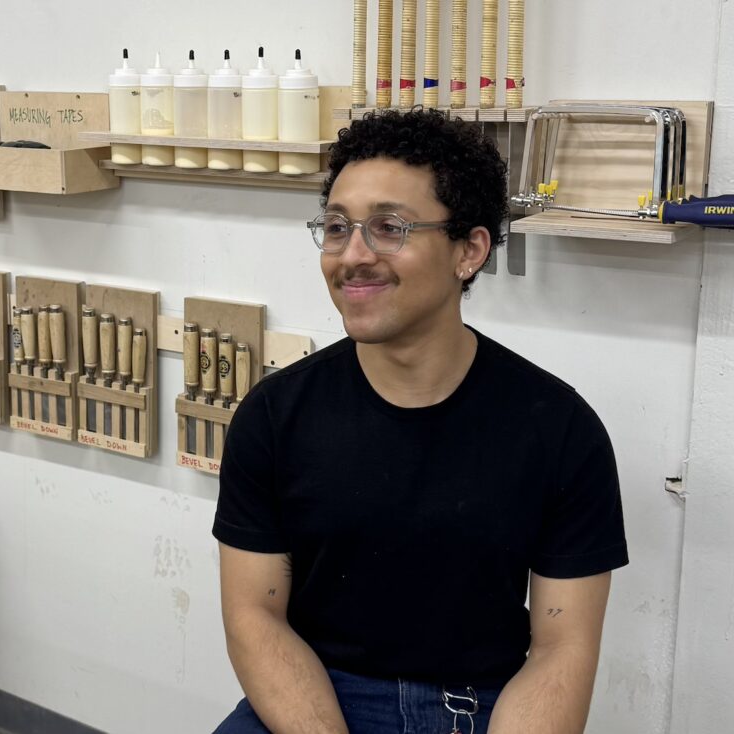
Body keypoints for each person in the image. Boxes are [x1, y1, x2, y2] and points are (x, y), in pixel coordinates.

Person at [211, 109, 628, 734]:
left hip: (474, 708)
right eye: (336, 227)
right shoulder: (274, 416)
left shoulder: (559, 430)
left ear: (470, 250)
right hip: (308, 697)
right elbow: (255, 619)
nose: (353, 255)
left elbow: (560, 650)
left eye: (389, 228)